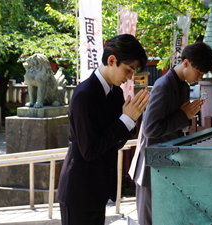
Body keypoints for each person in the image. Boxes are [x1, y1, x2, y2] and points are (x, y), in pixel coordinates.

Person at [57, 34, 150, 225]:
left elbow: (115, 142)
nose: (130, 77)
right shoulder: (84, 95)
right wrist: (125, 121)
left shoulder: (115, 92)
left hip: (98, 191)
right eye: (128, 70)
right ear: (112, 60)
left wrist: (130, 121)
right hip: (78, 192)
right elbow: (90, 150)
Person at [128, 41, 212, 225]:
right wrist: (184, 115)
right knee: (150, 220)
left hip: (165, 163)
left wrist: (186, 117)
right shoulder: (164, 85)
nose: (199, 78)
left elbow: (176, 124)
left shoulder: (182, 85)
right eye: (199, 72)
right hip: (151, 167)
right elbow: (150, 129)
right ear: (186, 63)